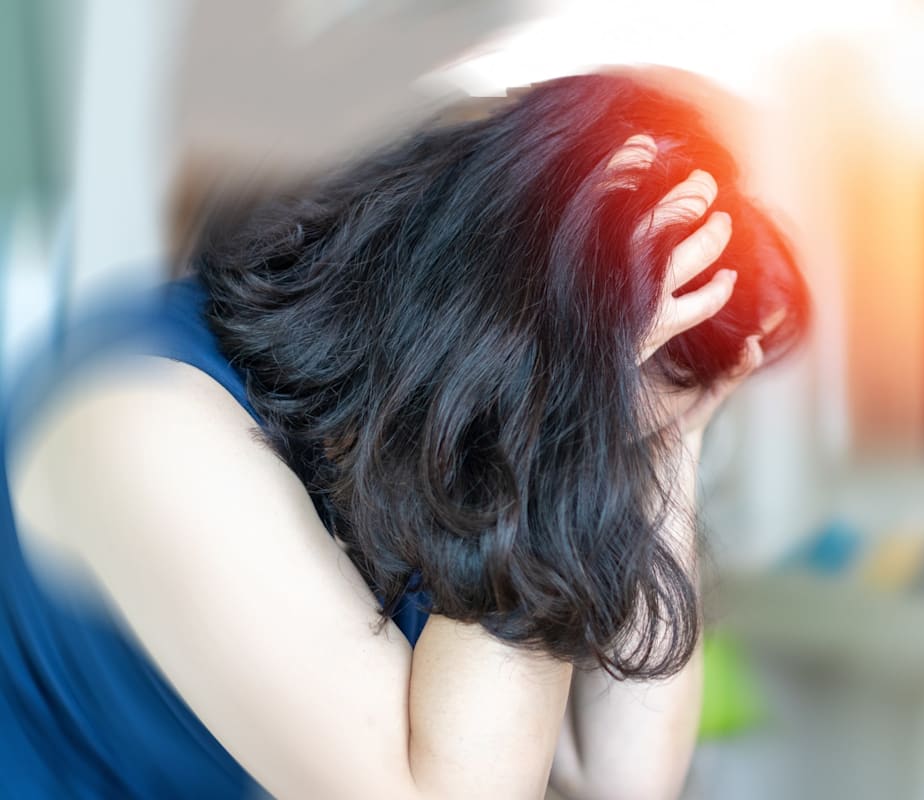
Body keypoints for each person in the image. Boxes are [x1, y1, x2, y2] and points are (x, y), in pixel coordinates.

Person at [1, 71, 809, 798]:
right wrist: (562, 412)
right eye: (633, 393)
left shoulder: (429, 436)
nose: (623, 436)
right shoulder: (152, 423)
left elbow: (618, 782)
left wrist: (672, 444)